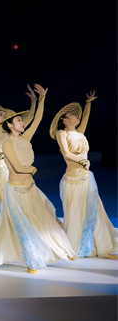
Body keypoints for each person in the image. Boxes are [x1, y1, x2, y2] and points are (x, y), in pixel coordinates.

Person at [0, 85, 77, 273]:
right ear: (10, 125)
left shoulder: (25, 138)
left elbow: (38, 118)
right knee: (23, 226)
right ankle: (32, 261)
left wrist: (42, 98)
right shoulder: (7, 143)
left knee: (45, 217)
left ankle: (61, 248)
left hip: (30, 187)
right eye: (18, 120)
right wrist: (32, 168)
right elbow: (17, 167)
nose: (22, 122)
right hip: (15, 190)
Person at [50, 91, 118, 259]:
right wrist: (82, 161)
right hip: (72, 179)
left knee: (95, 211)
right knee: (75, 213)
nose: (76, 117)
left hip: (86, 178)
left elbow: (86, 118)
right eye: (72, 115)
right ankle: (74, 247)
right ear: (64, 120)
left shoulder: (80, 132)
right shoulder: (62, 134)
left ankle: (102, 248)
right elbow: (66, 154)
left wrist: (88, 103)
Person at [0, 85, 37, 212]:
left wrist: (34, 100)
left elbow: (31, 117)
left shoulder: (8, 132)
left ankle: (13, 217)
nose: (3, 117)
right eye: (0, 114)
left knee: (9, 199)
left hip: (4, 169)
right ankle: (2, 220)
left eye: (4, 115)